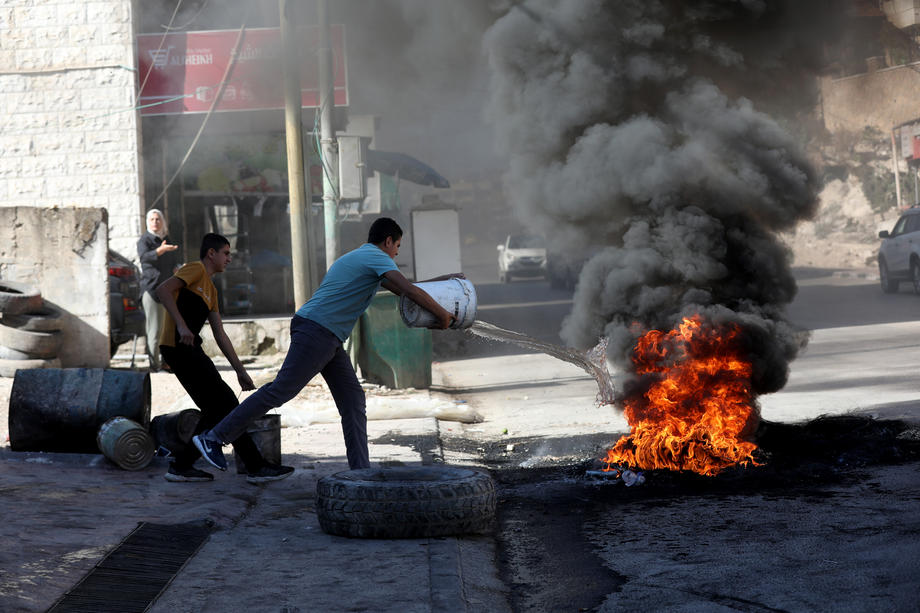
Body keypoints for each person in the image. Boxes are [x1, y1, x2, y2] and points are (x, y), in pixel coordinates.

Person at [193, 217, 460, 472]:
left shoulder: (363, 259)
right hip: (317, 331)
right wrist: (444, 316)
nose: (397, 254)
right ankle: (214, 437)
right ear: (388, 241)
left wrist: (447, 281)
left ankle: (360, 472)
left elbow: (407, 290)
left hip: (327, 337)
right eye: (398, 247)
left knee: (353, 400)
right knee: (280, 391)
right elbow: (411, 291)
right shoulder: (375, 256)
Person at [156, 233, 294, 484]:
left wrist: (240, 371)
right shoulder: (194, 269)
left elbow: (220, 335)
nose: (229, 259)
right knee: (226, 403)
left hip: (189, 349)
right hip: (177, 347)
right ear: (212, 253)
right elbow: (163, 290)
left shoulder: (212, 290)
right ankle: (256, 466)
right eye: (226, 253)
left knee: (216, 407)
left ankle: (182, 465)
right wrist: (182, 326)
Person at [137, 209, 179, 371]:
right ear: (148, 222)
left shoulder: (166, 239)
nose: (155, 222)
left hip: (167, 290)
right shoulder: (145, 240)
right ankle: (154, 365)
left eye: (158, 219)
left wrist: (179, 270)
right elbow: (144, 258)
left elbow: (173, 262)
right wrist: (158, 251)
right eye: (152, 219)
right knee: (154, 330)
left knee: (167, 330)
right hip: (152, 289)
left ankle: (166, 362)